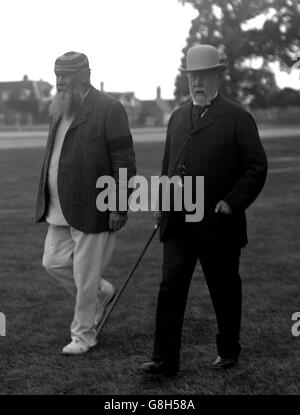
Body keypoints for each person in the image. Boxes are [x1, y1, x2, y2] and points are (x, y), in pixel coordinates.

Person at [141, 44, 268, 375]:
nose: (196, 82)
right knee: (170, 287)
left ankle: (228, 350)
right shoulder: (178, 117)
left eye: (204, 76)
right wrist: (162, 203)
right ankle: (164, 359)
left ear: (218, 77)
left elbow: (256, 167)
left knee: (224, 290)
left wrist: (233, 201)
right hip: (180, 222)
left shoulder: (238, 117)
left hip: (219, 224)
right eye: (192, 76)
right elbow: (170, 164)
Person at [35, 51, 136, 355]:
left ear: (85, 76)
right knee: (52, 262)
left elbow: (124, 161)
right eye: (57, 76)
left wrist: (119, 205)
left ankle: (83, 335)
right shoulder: (59, 108)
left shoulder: (109, 108)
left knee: (85, 274)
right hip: (58, 206)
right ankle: (102, 294)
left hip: (95, 207)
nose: (60, 82)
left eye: (66, 76)